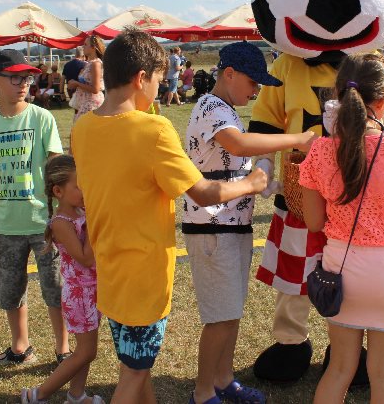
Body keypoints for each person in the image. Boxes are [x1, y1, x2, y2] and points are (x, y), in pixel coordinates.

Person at [70, 29, 268, 403]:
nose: (161, 89)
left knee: (134, 363)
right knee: (134, 372)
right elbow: (204, 192)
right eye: (159, 81)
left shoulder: (82, 128)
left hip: (108, 266)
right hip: (144, 273)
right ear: (141, 78)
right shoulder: (154, 129)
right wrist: (251, 183)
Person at [300, 53, 384, 403]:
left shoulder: (320, 151)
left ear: (338, 94)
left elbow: (314, 222)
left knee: (338, 369)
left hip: (340, 271)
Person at [183, 41, 315, 404]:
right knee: (220, 317)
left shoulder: (224, 109)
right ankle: (203, 391)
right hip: (212, 228)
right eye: (252, 81)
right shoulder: (211, 107)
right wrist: (296, 139)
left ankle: (223, 379)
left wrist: (265, 182)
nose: (256, 90)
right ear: (229, 74)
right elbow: (239, 146)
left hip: (230, 226)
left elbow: (234, 162)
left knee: (231, 312)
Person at [0, 49, 70, 370]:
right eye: (14, 78)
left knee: (55, 287)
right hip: (8, 226)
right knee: (11, 290)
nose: (23, 84)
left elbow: (56, 167)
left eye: (26, 78)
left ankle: (63, 350)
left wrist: (61, 214)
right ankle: (20, 347)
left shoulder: (42, 118)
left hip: (45, 223)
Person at [21, 155, 104, 404]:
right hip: (80, 296)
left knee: (85, 351)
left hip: (93, 291)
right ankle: (37, 395)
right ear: (58, 191)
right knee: (86, 352)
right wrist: (95, 224)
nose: (85, 191)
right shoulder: (60, 223)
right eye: (79, 186)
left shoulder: (81, 211)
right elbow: (85, 258)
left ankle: (76, 396)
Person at [69, 35, 104, 123]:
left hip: (91, 103)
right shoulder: (89, 63)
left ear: (93, 48)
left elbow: (95, 89)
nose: (83, 47)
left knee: (80, 128)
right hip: (85, 102)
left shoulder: (95, 64)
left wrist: (77, 84)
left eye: (85, 44)